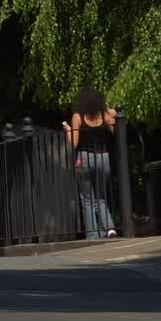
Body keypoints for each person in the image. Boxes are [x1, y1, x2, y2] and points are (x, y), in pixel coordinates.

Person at [69, 88, 119, 239]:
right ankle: (109, 229)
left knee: (87, 199)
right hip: (103, 157)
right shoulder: (105, 115)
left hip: (84, 157)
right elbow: (117, 133)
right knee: (101, 196)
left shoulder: (78, 117)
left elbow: (74, 144)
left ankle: (92, 234)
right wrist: (112, 114)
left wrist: (68, 130)